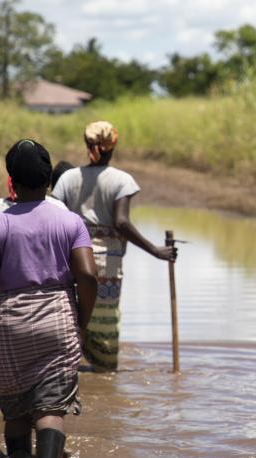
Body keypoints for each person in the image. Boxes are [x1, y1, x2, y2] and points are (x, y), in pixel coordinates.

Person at [0, 139, 97, 458]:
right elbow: (87, 275)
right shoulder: (69, 221)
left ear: (11, 180)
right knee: (50, 409)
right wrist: (81, 321)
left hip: (8, 321)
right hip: (58, 317)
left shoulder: (1, 223)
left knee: (14, 409)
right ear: (48, 181)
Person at [52, 121, 177, 372]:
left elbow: (54, 215)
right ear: (112, 147)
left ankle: (69, 369)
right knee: (105, 324)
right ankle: (104, 372)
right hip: (106, 265)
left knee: (72, 318)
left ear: (87, 145)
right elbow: (121, 222)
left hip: (72, 259)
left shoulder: (67, 178)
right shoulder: (122, 180)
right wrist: (156, 251)